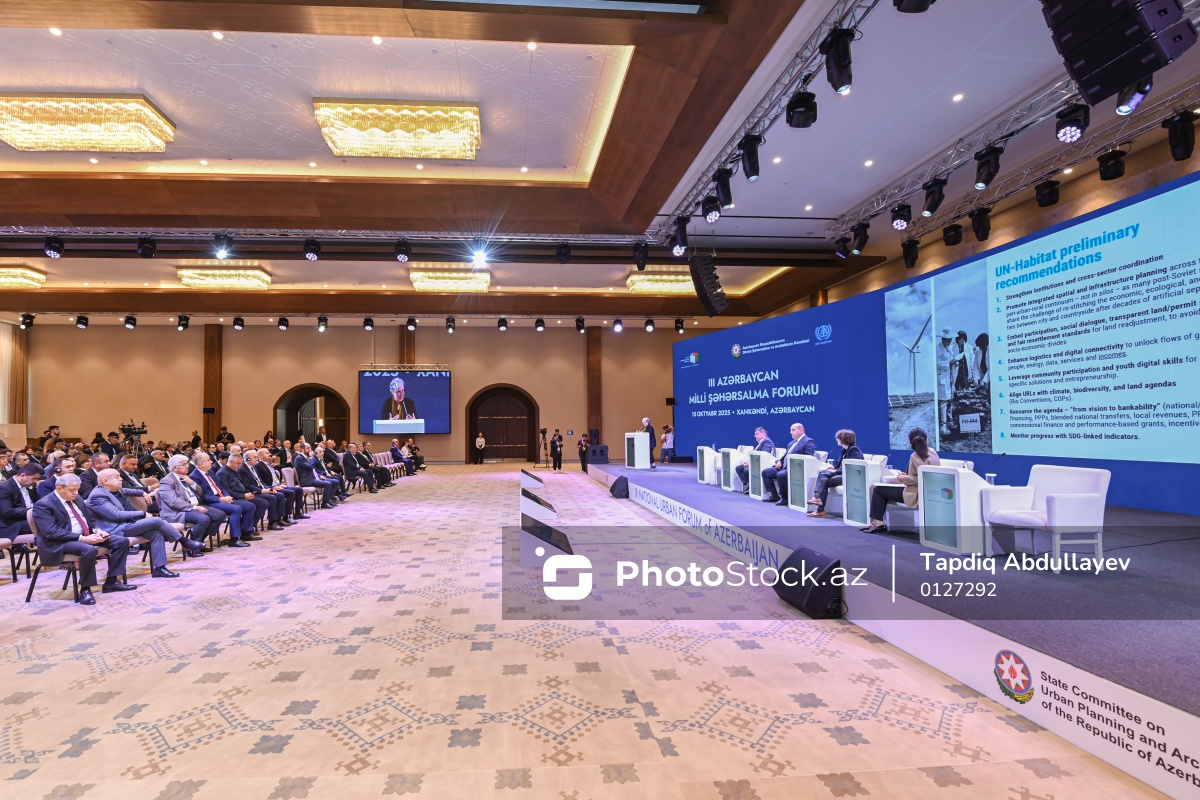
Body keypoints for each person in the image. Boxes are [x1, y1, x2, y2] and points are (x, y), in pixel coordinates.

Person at [31, 473, 135, 604]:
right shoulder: (43, 505)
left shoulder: (77, 498)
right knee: (88, 550)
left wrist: (97, 530)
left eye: (77, 490)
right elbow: (51, 532)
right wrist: (82, 538)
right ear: (59, 488)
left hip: (84, 536)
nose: (75, 493)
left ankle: (111, 581)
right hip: (59, 542)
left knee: (121, 541)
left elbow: (90, 519)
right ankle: (85, 589)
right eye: (72, 490)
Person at [86, 468, 202, 576]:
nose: (121, 478)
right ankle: (184, 541)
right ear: (105, 481)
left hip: (127, 525)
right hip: (115, 529)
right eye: (116, 477)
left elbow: (129, 491)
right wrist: (142, 513)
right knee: (156, 520)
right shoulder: (98, 496)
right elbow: (117, 515)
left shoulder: (115, 489)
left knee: (156, 533)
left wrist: (143, 493)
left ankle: (159, 569)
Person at [862, 427, 940, 533]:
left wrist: (904, 478)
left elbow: (926, 478)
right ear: (926, 439)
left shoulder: (915, 456)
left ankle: (878, 523)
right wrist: (907, 475)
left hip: (917, 494)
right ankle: (877, 522)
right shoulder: (933, 452)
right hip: (930, 491)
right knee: (882, 490)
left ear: (910, 441)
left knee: (878, 490)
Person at [158, 454, 225, 550]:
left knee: (219, 515)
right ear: (175, 468)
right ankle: (191, 547)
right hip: (177, 511)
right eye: (184, 464)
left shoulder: (185, 477)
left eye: (187, 463)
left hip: (194, 506)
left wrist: (191, 483)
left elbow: (200, 492)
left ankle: (198, 542)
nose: (187, 466)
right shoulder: (167, 481)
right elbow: (173, 501)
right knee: (203, 519)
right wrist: (195, 507)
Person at [807, 429, 863, 517]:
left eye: (838, 438)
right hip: (842, 473)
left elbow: (852, 467)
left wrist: (835, 471)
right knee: (823, 473)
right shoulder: (844, 450)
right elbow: (840, 464)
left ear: (843, 439)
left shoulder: (854, 450)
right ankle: (819, 505)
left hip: (850, 476)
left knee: (824, 479)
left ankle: (818, 503)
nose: (836, 439)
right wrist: (834, 467)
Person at [759, 423, 816, 504]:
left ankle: (785, 498)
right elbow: (785, 456)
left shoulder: (808, 441)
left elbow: (809, 458)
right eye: (790, 430)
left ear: (801, 430)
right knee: (766, 472)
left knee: (781, 475)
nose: (790, 432)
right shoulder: (791, 443)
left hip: (796, 468)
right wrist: (779, 461)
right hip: (784, 467)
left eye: (793, 430)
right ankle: (774, 495)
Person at [239, 450, 288, 529]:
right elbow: (248, 485)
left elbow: (261, 482)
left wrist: (270, 488)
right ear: (248, 459)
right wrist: (262, 491)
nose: (257, 459)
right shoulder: (242, 469)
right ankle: (272, 522)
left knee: (279, 495)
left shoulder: (253, 467)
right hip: (252, 492)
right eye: (255, 457)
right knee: (272, 497)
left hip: (260, 489)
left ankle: (279, 519)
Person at [0, 463, 42, 544]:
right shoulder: (4, 488)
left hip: (30, 519)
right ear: (23, 475)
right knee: (46, 525)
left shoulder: (30, 485)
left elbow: (39, 503)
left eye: (37, 479)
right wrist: (32, 511)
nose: (36, 481)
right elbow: (7, 512)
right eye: (34, 478)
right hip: (12, 524)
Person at [935, 328, 965, 436]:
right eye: (948, 340)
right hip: (942, 378)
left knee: (950, 399)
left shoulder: (949, 348)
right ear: (943, 339)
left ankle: (950, 421)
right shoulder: (938, 348)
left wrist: (955, 362)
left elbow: (952, 359)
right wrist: (949, 363)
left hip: (950, 377)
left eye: (950, 339)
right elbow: (936, 363)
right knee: (944, 401)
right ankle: (943, 426)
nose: (949, 341)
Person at [294, 444, 338, 509]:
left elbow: (312, 469)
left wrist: (319, 475)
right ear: (302, 449)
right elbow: (310, 467)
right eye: (307, 448)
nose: (309, 450)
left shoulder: (305, 457)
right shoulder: (299, 458)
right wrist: (311, 458)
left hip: (313, 477)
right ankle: (325, 503)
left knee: (335, 482)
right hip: (307, 480)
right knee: (328, 484)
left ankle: (328, 500)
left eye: (310, 448)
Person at [734, 427, 775, 494]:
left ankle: (751, 486)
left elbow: (764, 457)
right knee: (739, 468)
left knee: (747, 470)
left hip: (764, 464)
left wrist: (750, 464)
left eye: (757, 434)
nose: (755, 436)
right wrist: (748, 462)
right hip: (756, 463)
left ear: (763, 434)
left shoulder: (767, 442)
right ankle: (750, 484)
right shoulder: (761, 442)